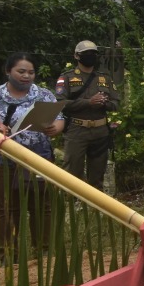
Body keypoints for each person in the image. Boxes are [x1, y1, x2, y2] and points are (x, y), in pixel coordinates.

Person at [0, 53, 66, 261]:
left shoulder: (43, 94)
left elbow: (59, 118)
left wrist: (55, 128)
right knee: (7, 207)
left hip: (39, 158)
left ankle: (44, 251)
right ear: (8, 71)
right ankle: (8, 255)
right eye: (21, 71)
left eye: (31, 72)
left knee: (42, 206)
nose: (26, 76)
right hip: (5, 160)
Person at [55, 40, 119, 191]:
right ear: (77, 56)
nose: (91, 56)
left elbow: (116, 103)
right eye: (87, 54)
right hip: (77, 130)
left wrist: (104, 102)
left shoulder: (105, 78)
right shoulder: (67, 78)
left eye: (94, 54)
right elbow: (60, 103)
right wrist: (88, 102)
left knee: (97, 176)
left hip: (100, 131)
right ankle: (71, 208)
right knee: (72, 174)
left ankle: (93, 211)